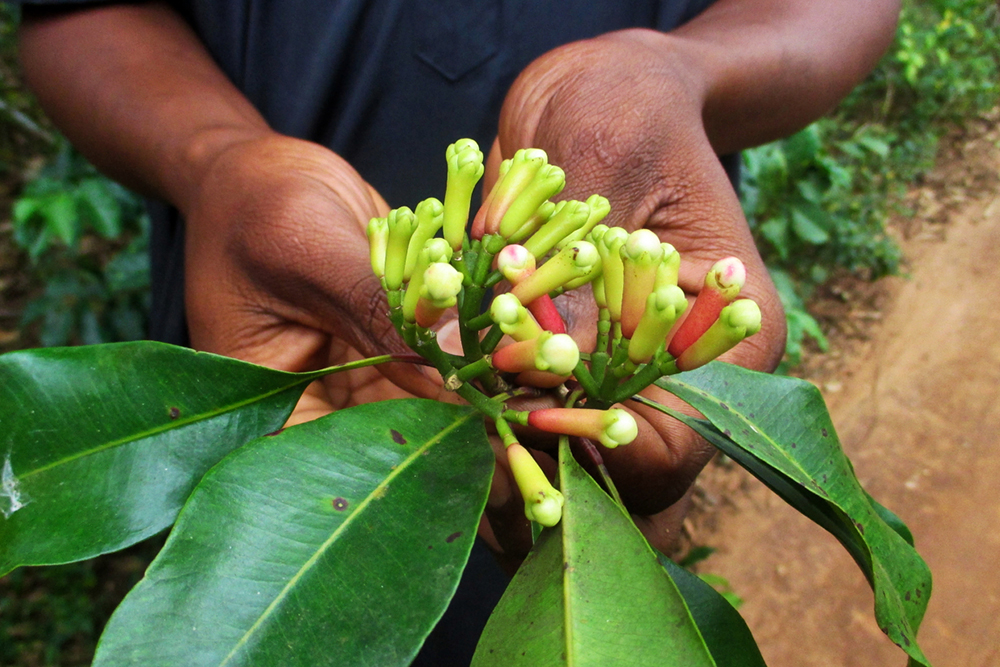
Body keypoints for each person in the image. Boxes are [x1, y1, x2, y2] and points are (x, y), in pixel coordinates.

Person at [15, 1, 901, 663]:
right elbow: (75, 13)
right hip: (289, 381)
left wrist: (681, 70)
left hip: (569, 455)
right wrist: (211, 158)